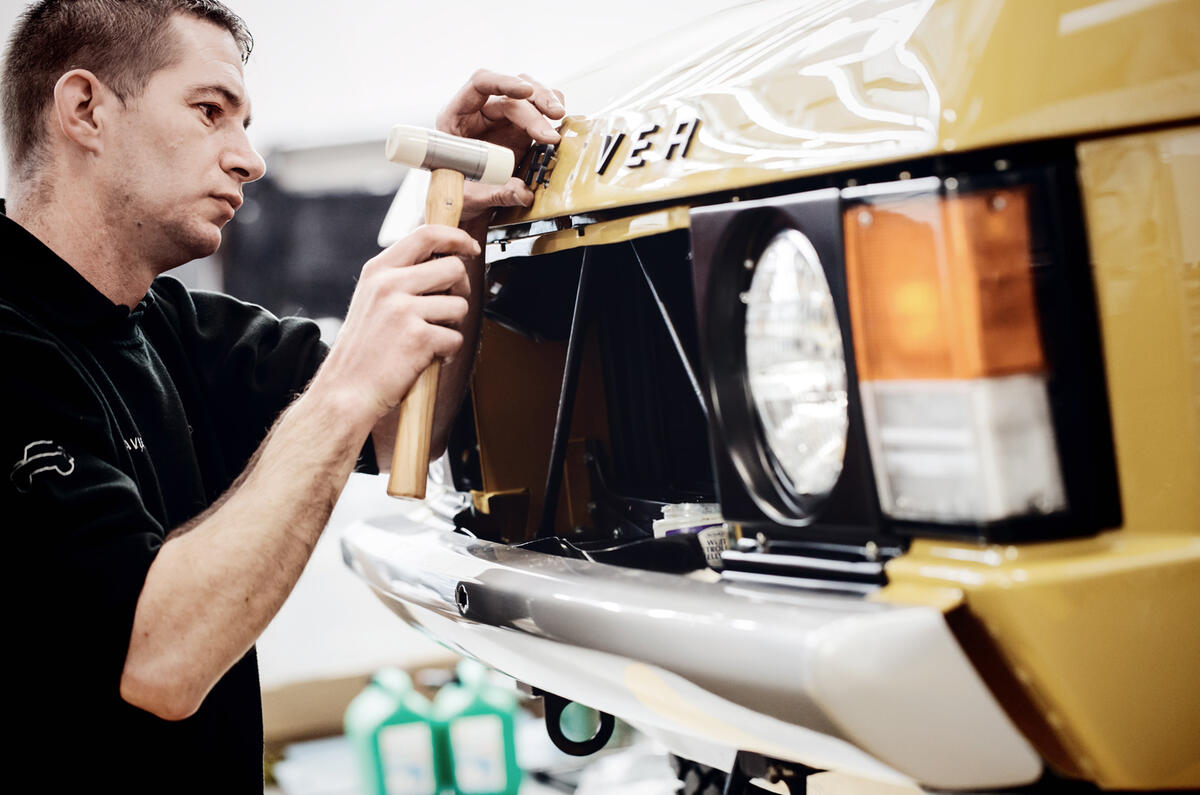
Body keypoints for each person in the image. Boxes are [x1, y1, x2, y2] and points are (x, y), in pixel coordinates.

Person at [0, 0, 563, 788]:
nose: (249, 159)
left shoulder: (171, 328)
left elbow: (403, 427)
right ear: (85, 109)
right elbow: (159, 662)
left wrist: (455, 216)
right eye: (210, 112)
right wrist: (343, 389)